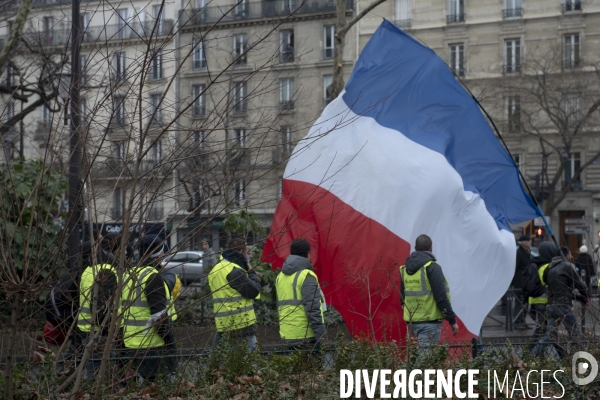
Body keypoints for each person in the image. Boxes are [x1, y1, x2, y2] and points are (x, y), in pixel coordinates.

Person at [121, 234, 178, 383]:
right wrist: (169, 340)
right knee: (155, 388)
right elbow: (158, 317)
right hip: (152, 345)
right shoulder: (152, 277)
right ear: (158, 255)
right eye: (162, 252)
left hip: (131, 343)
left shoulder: (129, 274)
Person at [400, 234, 458, 354]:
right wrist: (452, 320)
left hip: (412, 321)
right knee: (425, 362)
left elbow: (402, 298)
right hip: (429, 321)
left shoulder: (405, 269)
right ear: (431, 248)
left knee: (422, 359)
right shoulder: (432, 268)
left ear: (415, 248)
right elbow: (441, 297)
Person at [208, 237, 261, 351]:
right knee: (250, 363)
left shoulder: (216, 268)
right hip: (241, 324)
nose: (250, 256)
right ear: (241, 252)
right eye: (248, 252)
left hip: (223, 324)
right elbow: (254, 291)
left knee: (222, 363)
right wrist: (251, 272)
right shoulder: (235, 271)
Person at [275, 238, 326, 352]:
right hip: (307, 335)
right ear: (308, 253)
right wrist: (321, 336)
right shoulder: (306, 275)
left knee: (296, 369)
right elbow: (312, 308)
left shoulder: (280, 277)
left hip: (288, 333)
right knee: (312, 369)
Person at [77, 238, 117, 379]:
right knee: (97, 372)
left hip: (85, 327)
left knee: (90, 367)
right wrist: (106, 328)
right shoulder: (107, 271)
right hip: (99, 330)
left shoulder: (89, 270)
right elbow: (102, 307)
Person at [544, 246, 589, 358]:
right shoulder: (566, 266)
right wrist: (586, 297)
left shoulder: (549, 268)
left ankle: (563, 356)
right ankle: (576, 359)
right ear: (567, 255)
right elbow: (580, 284)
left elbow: (563, 291)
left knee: (552, 335)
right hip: (563, 305)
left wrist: (580, 298)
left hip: (550, 306)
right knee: (575, 334)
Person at [525, 241, 558, 355]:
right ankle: (529, 355)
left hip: (536, 302)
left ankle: (535, 356)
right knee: (548, 333)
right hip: (545, 302)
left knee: (542, 331)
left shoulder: (536, 263)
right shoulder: (546, 266)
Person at [512, 234, 531, 327]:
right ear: (522, 242)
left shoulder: (528, 251)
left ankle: (522, 321)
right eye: (527, 241)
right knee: (519, 302)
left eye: (529, 240)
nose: (529, 242)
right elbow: (515, 268)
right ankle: (516, 321)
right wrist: (512, 281)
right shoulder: (518, 253)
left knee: (525, 303)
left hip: (527, 281)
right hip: (519, 281)